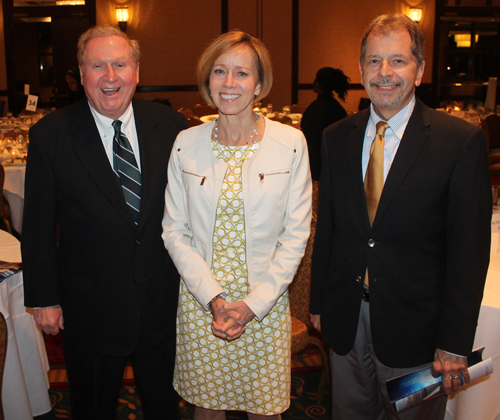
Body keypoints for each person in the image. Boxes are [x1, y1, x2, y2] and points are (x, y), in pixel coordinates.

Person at [309, 14, 491, 420]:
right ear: (360, 70)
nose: (384, 73)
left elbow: (470, 252)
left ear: (420, 70)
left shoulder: (458, 142)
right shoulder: (336, 137)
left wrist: (455, 341)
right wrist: (319, 301)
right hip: (346, 319)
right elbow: (330, 229)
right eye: (374, 61)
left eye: (397, 61)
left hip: (418, 329)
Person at [22, 26, 187, 420]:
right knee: (92, 409)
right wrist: (44, 298)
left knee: (166, 409)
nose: (110, 76)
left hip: (163, 304)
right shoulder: (50, 136)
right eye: (98, 66)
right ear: (81, 75)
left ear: (137, 71)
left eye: (119, 64)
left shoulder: (174, 127)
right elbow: (38, 225)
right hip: (90, 308)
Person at [162, 31, 312, 420]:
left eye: (242, 73)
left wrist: (251, 305)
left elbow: (295, 235)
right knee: (206, 411)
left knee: (265, 411)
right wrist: (213, 298)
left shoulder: (291, 143)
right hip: (202, 304)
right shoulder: (185, 143)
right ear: (207, 80)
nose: (229, 83)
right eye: (219, 71)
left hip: (262, 304)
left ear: (259, 84)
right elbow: (174, 230)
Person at [301, 67, 349, 181]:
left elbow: (310, 140)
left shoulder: (316, 109)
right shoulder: (338, 108)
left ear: (318, 84)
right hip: (336, 165)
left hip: (316, 167)